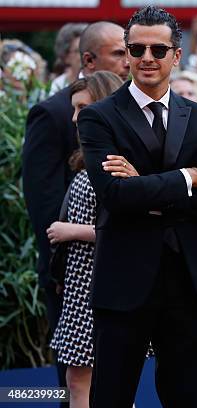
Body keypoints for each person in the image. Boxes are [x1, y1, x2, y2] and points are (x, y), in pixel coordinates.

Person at [77, 6, 197, 407]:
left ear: (176, 55)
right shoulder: (98, 117)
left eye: (158, 49)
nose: (148, 57)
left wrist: (144, 189)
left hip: (187, 278)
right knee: (111, 396)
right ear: (127, 54)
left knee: (191, 398)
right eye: (138, 48)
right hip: (124, 278)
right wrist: (187, 177)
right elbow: (114, 196)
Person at [21, 21, 128, 402]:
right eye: (119, 52)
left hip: (120, 270)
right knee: (75, 379)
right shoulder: (51, 114)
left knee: (116, 373)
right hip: (74, 274)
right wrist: (58, 270)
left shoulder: (136, 112)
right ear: (88, 58)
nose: (130, 60)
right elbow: (44, 203)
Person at [47, 71, 123, 408]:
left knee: (89, 380)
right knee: (82, 380)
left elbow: (132, 228)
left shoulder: (116, 162)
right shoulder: (88, 158)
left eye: (84, 107)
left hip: (102, 285)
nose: (76, 117)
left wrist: (71, 232)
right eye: (75, 108)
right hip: (80, 285)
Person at [49, 23, 88, 95]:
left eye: (87, 49)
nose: (84, 55)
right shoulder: (58, 85)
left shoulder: (97, 82)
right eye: (78, 51)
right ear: (66, 56)